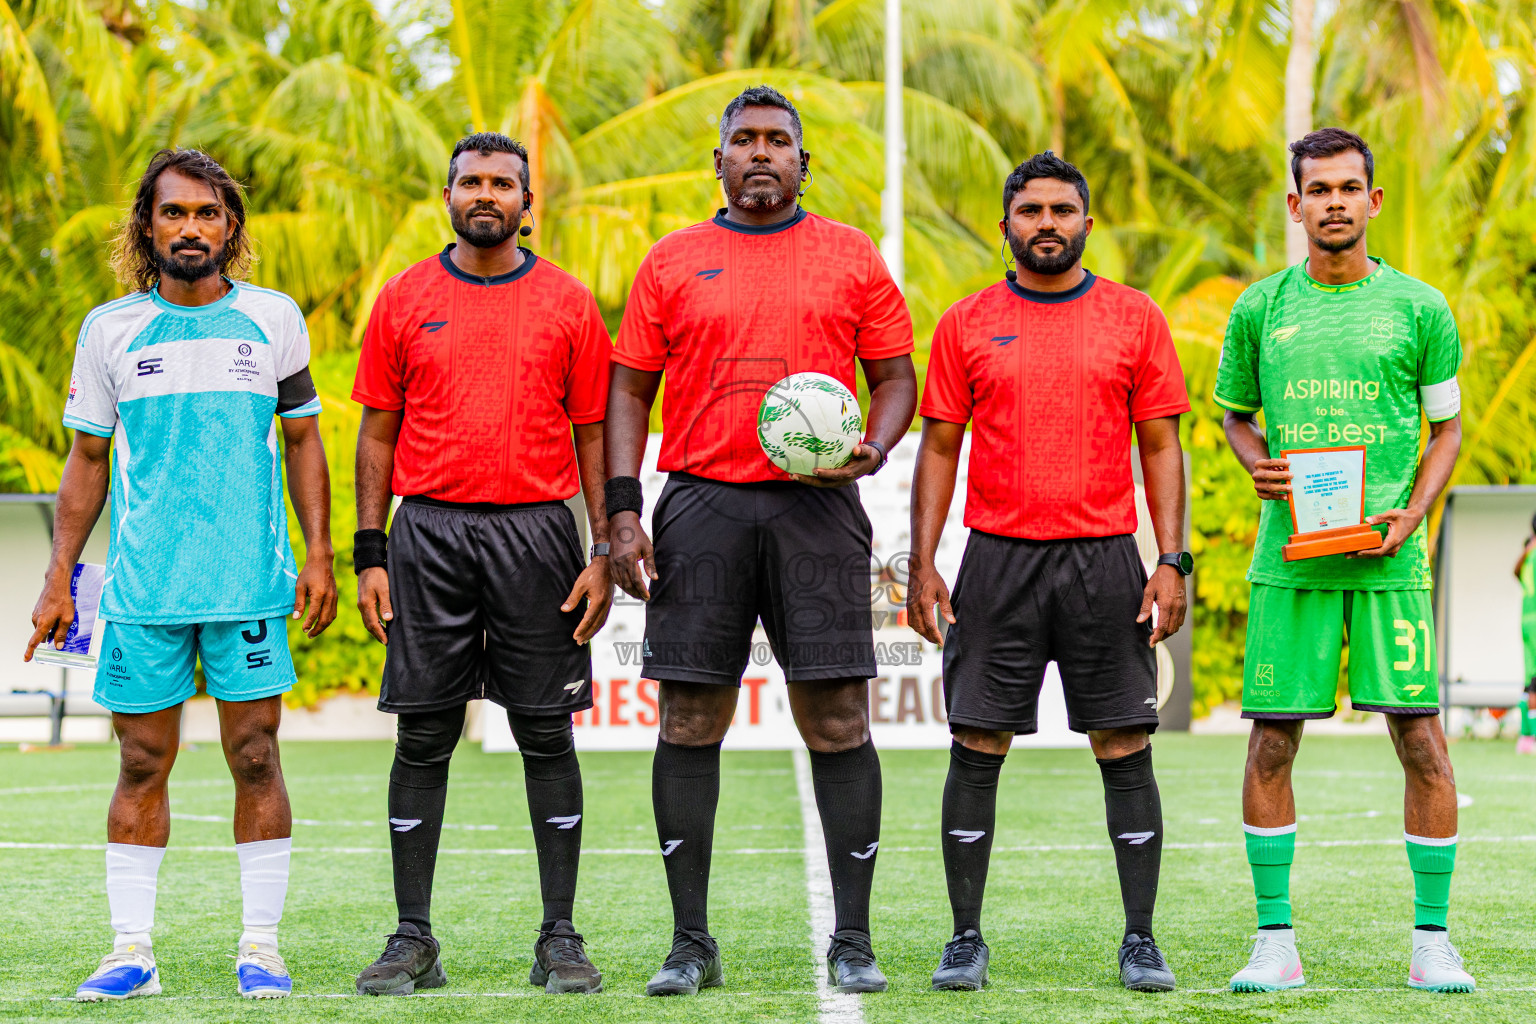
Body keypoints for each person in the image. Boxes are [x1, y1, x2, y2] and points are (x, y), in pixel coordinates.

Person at [605, 85, 917, 996]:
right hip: (700, 504)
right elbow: (628, 392)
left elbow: (896, 377)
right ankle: (689, 942)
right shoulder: (672, 260)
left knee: (837, 718)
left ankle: (853, 938)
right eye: (743, 139)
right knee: (690, 717)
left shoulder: (852, 256)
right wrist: (624, 509)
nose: (760, 152)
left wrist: (876, 445)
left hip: (816, 509)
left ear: (803, 162)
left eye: (778, 140)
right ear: (719, 161)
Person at [24, 148, 337, 1001]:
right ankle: (131, 952)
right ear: (147, 225)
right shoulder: (110, 330)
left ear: (229, 226)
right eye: (173, 213)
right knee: (137, 764)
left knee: (257, 756)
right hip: (144, 592)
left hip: (248, 584)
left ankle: (262, 949)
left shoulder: (271, 319)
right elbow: (88, 458)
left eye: (206, 213)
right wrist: (60, 579)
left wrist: (320, 554)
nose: (190, 227)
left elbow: (305, 439)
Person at [907, 151, 1191, 994]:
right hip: (997, 558)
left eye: (1062, 210)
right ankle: (965, 939)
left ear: (1086, 224)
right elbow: (940, 447)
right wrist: (921, 564)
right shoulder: (965, 322)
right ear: (1006, 226)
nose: (1046, 224)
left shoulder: (1135, 318)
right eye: (1030, 211)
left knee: (1124, 742)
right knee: (977, 740)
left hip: (1106, 557)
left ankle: (1140, 939)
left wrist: (1169, 559)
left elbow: (1162, 446)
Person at [349, 132, 614, 996]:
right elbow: (377, 434)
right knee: (424, 731)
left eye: (503, 182)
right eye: (470, 181)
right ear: (449, 196)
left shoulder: (570, 304)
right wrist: (370, 552)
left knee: (545, 730)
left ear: (527, 202)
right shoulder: (403, 299)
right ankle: (413, 939)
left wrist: (603, 548)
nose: (485, 193)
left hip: (539, 534)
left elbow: (592, 435)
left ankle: (560, 938)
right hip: (426, 534)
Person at [1215, 128, 1471, 993]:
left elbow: (1447, 431)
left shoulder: (1421, 309)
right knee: (1272, 746)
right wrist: (1255, 461)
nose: (1333, 202)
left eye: (1348, 187)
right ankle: (1274, 942)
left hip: (1390, 562)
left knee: (1424, 744)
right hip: (1292, 562)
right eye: (1316, 189)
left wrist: (1414, 511)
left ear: (1373, 201)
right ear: (1296, 205)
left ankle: (1432, 941)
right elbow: (1235, 417)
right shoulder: (1261, 310)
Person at [1514, 515, 1536, 755]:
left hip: (1527, 621)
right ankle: (1531, 737)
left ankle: (1525, 736)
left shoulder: (1529, 552)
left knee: (1529, 679)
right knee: (1534, 683)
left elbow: (1515, 572)